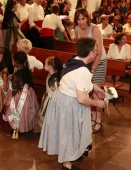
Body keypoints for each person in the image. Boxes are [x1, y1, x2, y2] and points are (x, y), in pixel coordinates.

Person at [38, 37, 106, 170]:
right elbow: (82, 99)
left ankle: (66, 160)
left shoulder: (74, 60)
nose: (97, 52)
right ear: (91, 53)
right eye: (96, 50)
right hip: (70, 104)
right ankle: (67, 165)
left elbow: (74, 80)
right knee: (69, 134)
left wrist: (95, 87)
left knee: (63, 131)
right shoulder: (83, 71)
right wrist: (98, 104)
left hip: (60, 99)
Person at [74, 8, 107, 133]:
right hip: (86, 62)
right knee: (88, 90)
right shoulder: (77, 30)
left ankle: (99, 120)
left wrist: (92, 69)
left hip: (99, 62)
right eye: (78, 19)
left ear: (87, 18)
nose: (81, 22)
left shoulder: (95, 29)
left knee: (96, 92)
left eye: (83, 19)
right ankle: (92, 119)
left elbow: (97, 52)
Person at [2, 51, 39, 137]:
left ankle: (17, 127)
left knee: (16, 110)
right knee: (26, 111)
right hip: (28, 92)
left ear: (16, 62)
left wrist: (8, 100)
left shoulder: (18, 74)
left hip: (19, 94)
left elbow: (14, 90)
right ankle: (25, 126)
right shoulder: (26, 70)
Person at [34, 56, 63, 133]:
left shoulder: (55, 80)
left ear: (50, 67)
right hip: (47, 97)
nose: (44, 66)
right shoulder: (50, 75)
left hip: (51, 101)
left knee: (48, 116)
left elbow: (56, 93)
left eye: (45, 64)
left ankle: (48, 132)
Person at [0, 47, 13, 112]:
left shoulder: (4, 65)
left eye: (1, 53)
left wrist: (4, 87)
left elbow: (5, 78)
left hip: (1, 86)